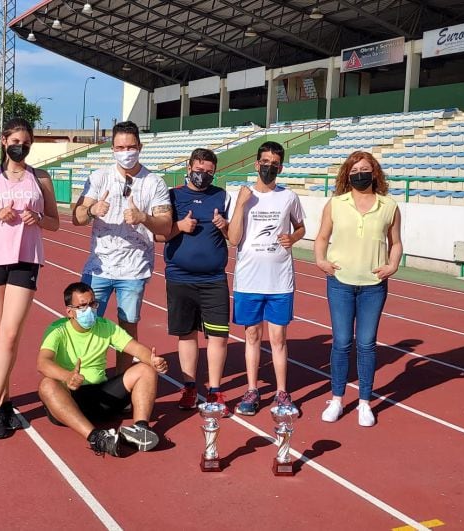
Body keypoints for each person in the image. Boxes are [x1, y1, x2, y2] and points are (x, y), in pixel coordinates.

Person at [0, 118, 60, 440]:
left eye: (28, 142)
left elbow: (55, 223)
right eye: (16, 140)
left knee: (10, 334)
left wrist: (39, 218)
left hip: (26, 259)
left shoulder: (41, 177)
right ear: (4, 142)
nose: (22, 146)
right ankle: (1, 404)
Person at [72, 121, 173, 371]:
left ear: (140, 146)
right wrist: (93, 209)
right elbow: (77, 217)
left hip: (134, 270)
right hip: (98, 268)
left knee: (127, 328)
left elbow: (165, 227)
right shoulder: (99, 177)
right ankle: (87, 377)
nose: (125, 152)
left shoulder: (154, 182)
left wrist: (143, 218)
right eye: (120, 147)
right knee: (87, 325)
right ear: (112, 149)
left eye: (130, 146)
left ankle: (122, 382)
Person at [314, 151, 402, 427]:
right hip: (340, 283)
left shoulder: (389, 205)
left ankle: (365, 402)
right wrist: (321, 261)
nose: (359, 173)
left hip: (374, 286)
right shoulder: (336, 204)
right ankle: (337, 399)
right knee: (341, 342)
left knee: (366, 344)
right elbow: (322, 237)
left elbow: (396, 242)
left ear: (374, 172)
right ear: (347, 175)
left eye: (365, 169)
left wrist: (392, 265)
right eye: (354, 170)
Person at [37, 282, 169, 457]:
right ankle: (96, 437)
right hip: (70, 399)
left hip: (101, 397)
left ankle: (140, 428)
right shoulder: (57, 330)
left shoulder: (105, 326)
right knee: (46, 385)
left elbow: (136, 349)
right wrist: (68, 376)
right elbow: (43, 363)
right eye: (83, 306)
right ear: (70, 311)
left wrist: (154, 361)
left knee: (146, 370)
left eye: (92, 304)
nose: (90, 310)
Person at [227, 141, 306, 416]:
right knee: (251, 335)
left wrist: (293, 237)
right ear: (256, 164)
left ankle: (282, 392)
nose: (268, 167)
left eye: (274, 164)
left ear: (280, 167)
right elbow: (233, 238)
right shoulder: (244, 195)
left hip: (279, 280)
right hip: (248, 279)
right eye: (264, 162)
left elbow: (301, 227)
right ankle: (252, 390)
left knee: (278, 338)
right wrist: (240, 204)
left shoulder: (289, 197)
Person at [156, 148, 231, 412]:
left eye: (209, 172)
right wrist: (180, 227)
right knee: (187, 336)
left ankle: (215, 390)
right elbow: (158, 235)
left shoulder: (221, 195)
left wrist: (225, 226)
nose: (203, 176)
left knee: (218, 337)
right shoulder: (172, 196)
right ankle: (189, 388)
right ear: (189, 168)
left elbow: (234, 235)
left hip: (214, 279)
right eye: (199, 171)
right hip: (180, 277)